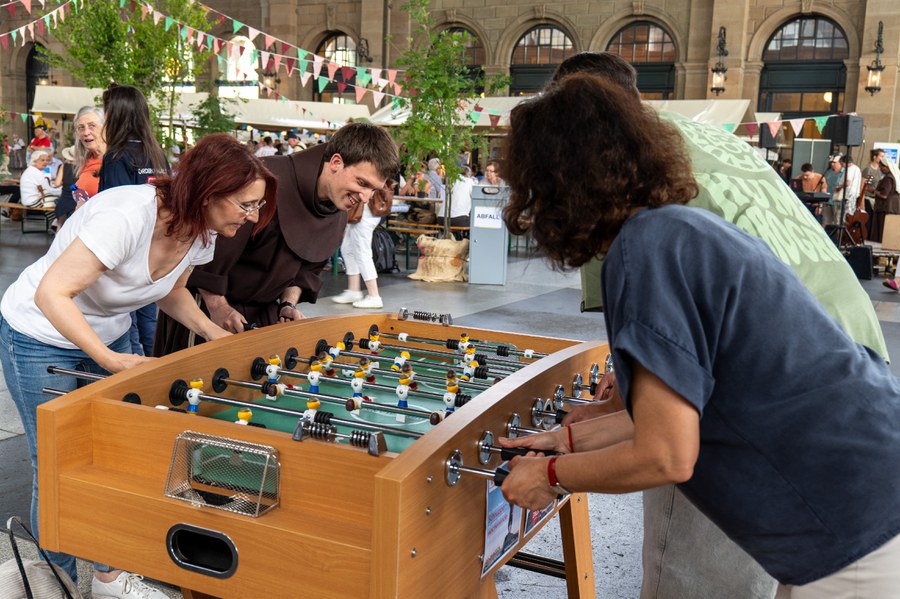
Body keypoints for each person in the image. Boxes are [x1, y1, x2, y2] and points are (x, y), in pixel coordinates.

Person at [497, 72, 900, 597]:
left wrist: (551, 477)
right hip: (870, 490)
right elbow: (683, 410)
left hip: (859, 527)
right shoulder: (680, 229)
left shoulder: (644, 253)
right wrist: (561, 441)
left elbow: (667, 453)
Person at [0, 133, 276, 599]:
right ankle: (55, 580)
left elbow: (170, 290)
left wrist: (212, 333)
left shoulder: (204, 231)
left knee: (116, 459)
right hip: (39, 334)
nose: (250, 217)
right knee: (56, 464)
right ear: (210, 193)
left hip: (109, 331)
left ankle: (107, 577)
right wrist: (108, 359)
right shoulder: (126, 215)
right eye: (246, 206)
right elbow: (52, 294)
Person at [153, 121, 400, 354]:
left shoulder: (340, 203)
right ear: (335, 162)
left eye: (373, 190)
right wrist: (218, 306)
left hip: (262, 316)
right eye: (361, 183)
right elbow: (208, 247)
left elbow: (305, 267)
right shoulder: (265, 179)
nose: (366, 197)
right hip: (206, 309)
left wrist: (288, 304)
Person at [99, 85, 170, 358]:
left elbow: (115, 210)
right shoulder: (157, 153)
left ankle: (132, 376)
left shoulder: (116, 156)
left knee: (124, 322)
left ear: (115, 115)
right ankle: (156, 373)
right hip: (155, 249)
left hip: (126, 252)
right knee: (149, 319)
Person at [333, 184, 394, 309]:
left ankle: (374, 296)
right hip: (361, 210)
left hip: (366, 211)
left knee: (362, 253)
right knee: (348, 249)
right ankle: (353, 290)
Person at [875, 158, 900, 249]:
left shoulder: (888, 178)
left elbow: (884, 195)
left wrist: (875, 191)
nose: (880, 169)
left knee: (884, 233)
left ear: (886, 167)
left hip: (886, 209)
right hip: (894, 208)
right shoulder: (894, 177)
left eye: (881, 167)